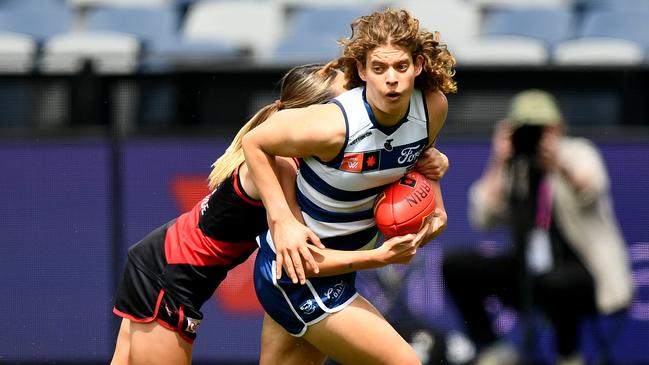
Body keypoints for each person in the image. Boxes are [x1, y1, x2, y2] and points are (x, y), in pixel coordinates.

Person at [110, 63, 450, 365]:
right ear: (307, 116)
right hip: (167, 279)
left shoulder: (317, 163)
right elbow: (303, 258)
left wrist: (429, 161)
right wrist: (377, 258)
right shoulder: (284, 167)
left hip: (160, 262)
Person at [242, 8, 457, 365]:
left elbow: (425, 182)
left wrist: (431, 220)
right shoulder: (334, 125)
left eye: (401, 67)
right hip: (298, 273)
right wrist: (282, 221)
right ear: (361, 70)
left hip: (338, 269)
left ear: (418, 65)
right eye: (379, 68)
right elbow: (255, 142)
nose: (391, 79)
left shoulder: (432, 108)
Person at [442, 89, 634, 365]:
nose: (535, 137)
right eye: (526, 130)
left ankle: (568, 355)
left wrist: (557, 164)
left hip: (583, 272)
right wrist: (499, 160)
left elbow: (591, 188)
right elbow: (483, 218)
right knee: (458, 265)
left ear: (559, 128)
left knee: (558, 281)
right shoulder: (513, 164)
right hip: (528, 270)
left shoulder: (578, 152)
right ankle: (493, 348)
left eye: (542, 129)